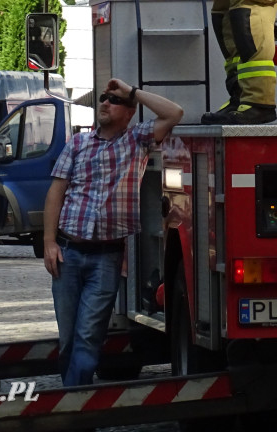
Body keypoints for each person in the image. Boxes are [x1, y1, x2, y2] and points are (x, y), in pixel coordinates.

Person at [43, 78, 183, 386]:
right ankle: (75, 399)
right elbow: (56, 192)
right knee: (68, 338)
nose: (105, 103)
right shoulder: (78, 144)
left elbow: (173, 113)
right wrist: (49, 242)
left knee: (88, 336)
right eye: (103, 98)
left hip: (105, 258)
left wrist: (132, 92)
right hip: (67, 254)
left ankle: (76, 403)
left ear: (130, 112)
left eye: (113, 100)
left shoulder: (137, 141)